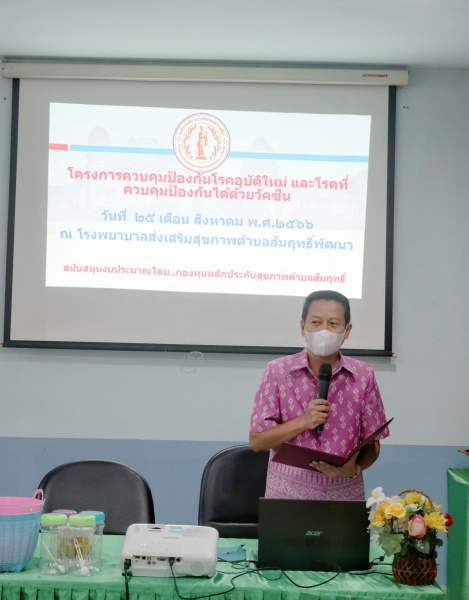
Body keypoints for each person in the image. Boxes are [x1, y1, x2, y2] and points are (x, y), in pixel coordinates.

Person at [249, 290, 389, 501]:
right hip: (287, 496)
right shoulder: (277, 371)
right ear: (302, 327)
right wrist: (304, 421)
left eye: (333, 323)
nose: (324, 330)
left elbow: (373, 443)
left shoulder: (363, 375)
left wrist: (353, 469)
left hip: (344, 496)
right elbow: (257, 441)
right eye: (316, 322)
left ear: (347, 330)